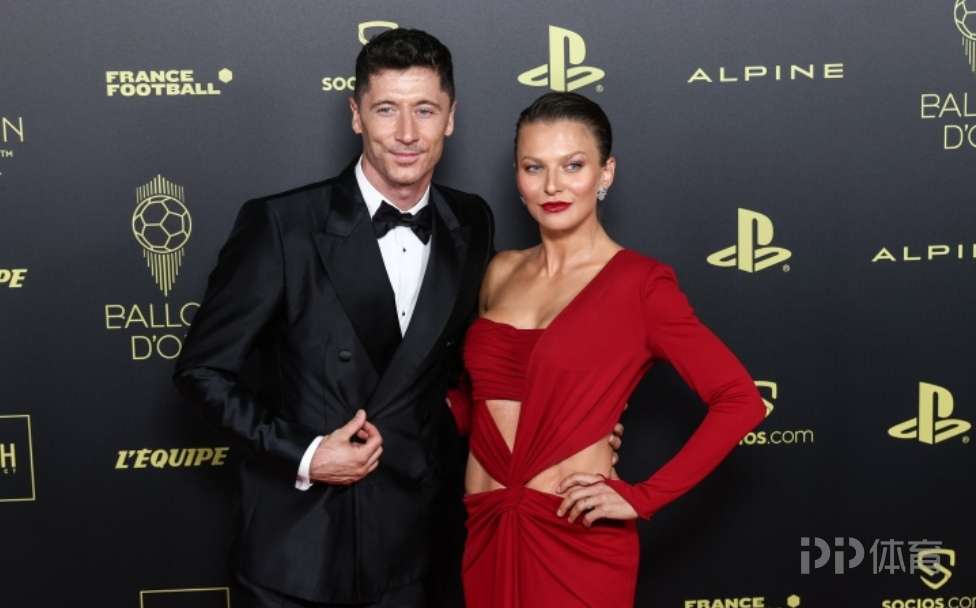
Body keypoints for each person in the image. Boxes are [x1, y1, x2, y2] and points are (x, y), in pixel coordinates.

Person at [173, 30, 622, 608]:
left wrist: (571, 423)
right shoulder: (282, 225)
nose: (407, 133)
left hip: (419, 545)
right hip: (300, 547)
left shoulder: (471, 221)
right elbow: (202, 372)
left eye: (425, 110)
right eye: (387, 109)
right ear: (355, 114)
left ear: (450, 117)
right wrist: (308, 453)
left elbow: (475, 365)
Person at [450, 92, 767, 607]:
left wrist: (643, 497)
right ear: (517, 177)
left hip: (572, 537)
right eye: (534, 167)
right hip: (487, 525)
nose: (552, 186)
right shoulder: (499, 272)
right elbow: (480, 400)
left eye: (573, 165)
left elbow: (740, 400)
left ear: (606, 173)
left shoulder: (641, 285)